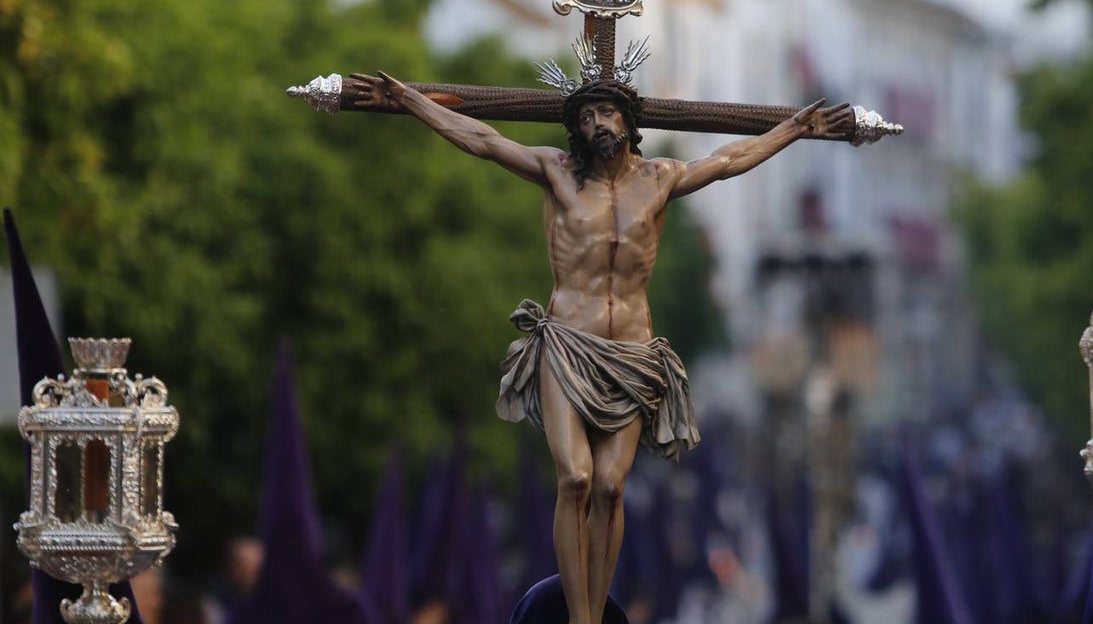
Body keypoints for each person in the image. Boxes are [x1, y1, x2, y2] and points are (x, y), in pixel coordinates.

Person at [348, 71, 852, 624]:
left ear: (628, 121)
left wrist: (793, 129)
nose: (598, 124)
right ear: (576, 129)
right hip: (567, 346)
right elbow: (483, 139)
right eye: (586, 117)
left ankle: (592, 611)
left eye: (607, 113)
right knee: (576, 478)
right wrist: (410, 100)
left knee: (611, 487)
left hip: (632, 358)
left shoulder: (660, 178)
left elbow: (730, 158)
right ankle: (580, 618)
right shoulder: (557, 173)